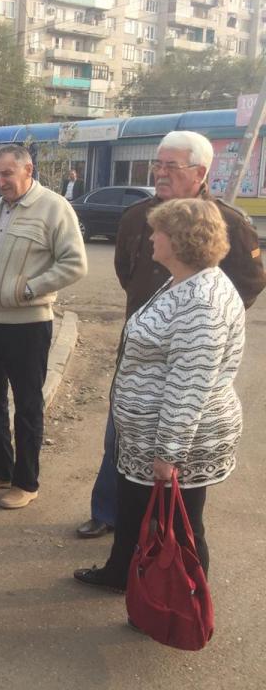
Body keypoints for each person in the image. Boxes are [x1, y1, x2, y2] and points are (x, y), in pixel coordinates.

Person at [75, 130, 265, 539]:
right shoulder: (137, 217)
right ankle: (110, 514)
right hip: (140, 352)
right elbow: (126, 272)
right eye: (156, 164)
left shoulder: (229, 222)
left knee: (175, 469)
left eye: (170, 166)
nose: (159, 173)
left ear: (200, 172)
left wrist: (201, 329)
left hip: (187, 363)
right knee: (119, 440)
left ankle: (160, 535)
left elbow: (250, 281)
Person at [74, 199, 245, 592]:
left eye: (158, 232)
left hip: (175, 444)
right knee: (134, 513)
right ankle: (122, 574)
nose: (151, 237)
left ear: (181, 240)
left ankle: (183, 604)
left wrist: (168, 453)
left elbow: (189, 385)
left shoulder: (203, 302)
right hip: (145, 438)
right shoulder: (183, 281)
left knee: (181, 529)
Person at [0, 145, 87, 509]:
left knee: (27, 404)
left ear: (28, 170)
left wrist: (30, 289)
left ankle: (26, 481)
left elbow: (75, 263)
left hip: (27, 324)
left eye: (7, 174)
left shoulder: (53, 207)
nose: (0, 181)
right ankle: (0, 468)